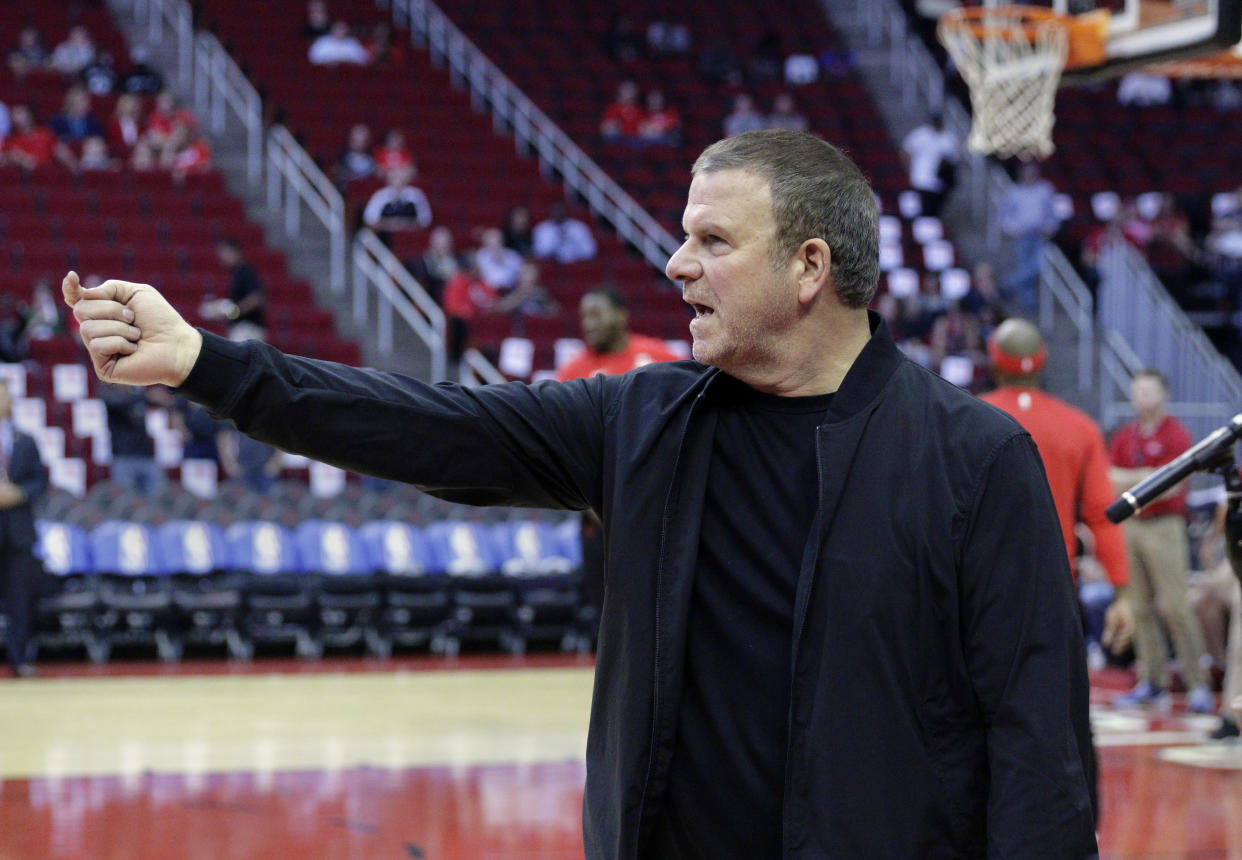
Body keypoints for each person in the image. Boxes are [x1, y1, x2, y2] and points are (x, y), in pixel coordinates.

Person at [62, 128, 1097, 857]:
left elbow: (1039, 743)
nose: (675, 260)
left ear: (810, 266)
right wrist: (205, 361)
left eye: (713, 241)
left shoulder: (974, 457)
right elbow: (431, 425)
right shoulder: (640, 419)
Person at [978, 319, 1135, 817]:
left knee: (981, 709)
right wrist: (1123, 593)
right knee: (1067, 711)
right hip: (1054, 586)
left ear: (993, 358)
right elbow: (1103, 517)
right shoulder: (1080, 427)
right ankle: (1079, 823)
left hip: (982, 589)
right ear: (1043, 360)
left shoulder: (966, 416)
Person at [1109, 369, 1214, 712]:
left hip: (1166, 525)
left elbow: (1172, 485)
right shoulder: (1125, 436)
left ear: (1164, 395)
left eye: (1149, 391)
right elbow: (1108, 479)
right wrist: (1146, 477)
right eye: (1137, 391)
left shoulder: (1176, 434)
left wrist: (1136, 481)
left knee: (1176, 605)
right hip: (1133, 526)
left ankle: (1197, 682)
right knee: (1138, 607)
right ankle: (1152, 681)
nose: (1142, 397)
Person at [0, 379, 48, 678]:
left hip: (17, 532)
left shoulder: (24, 440)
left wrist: (19, 493)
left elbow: (39, 481)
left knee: (19, 601)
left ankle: (19, 660)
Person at [557, 287, 678, 381]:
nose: (588, 325)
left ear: (621, 315)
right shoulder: (573, 372)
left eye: (596, 315)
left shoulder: (660, 357)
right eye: (584, 317)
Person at [998, 162, 1062, 313]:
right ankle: (1029, 303)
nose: (1029, 177)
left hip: (1040, 234)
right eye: (1026, 174)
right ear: (1021, 175)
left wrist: (1051, 227)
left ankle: (1008, 284)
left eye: (1032, 173)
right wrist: (1012, 228)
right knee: (1024, 267)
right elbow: (1003, 216)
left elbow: (1055, 212)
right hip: (1021, 235)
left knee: (1038, 265)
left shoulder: (1046, 190)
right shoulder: (1014, 192)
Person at [202, 239, 265, 342]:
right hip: (240, 327)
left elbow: (256, 299)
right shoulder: (235, 274)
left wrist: (235, 311)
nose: (222, 257)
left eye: (225, 253)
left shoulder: (246, 272)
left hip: (248, 328)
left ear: (235, 252)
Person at [901, 113, 959, 217]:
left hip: (937, 182)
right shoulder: (921, 135)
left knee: (931, 211)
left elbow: (952, 161)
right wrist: (909, 168)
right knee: (918, 210)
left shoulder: (948, 138)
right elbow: (906, 151)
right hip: (920, 178)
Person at [362, 165, 433, 237]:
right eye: (394, 177)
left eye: (400, 176)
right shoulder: (379, 196)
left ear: (407, 178)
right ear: (387, 179)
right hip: (384, 238)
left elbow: (425, 221)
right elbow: (370, 220)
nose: (397, 180)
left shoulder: (416, 194)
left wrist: (405, 224)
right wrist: (390, 224)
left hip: (411, 238)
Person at [531, 203, 597, 263]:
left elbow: (590, 251)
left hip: (576, 264)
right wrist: (557, 239)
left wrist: (572, 239)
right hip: (552, 266)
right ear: (551, 212)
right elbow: (539, 252)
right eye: (556, 210)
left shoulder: (578, 227)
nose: (558, 213)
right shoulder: (542, 229)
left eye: (560, 210)